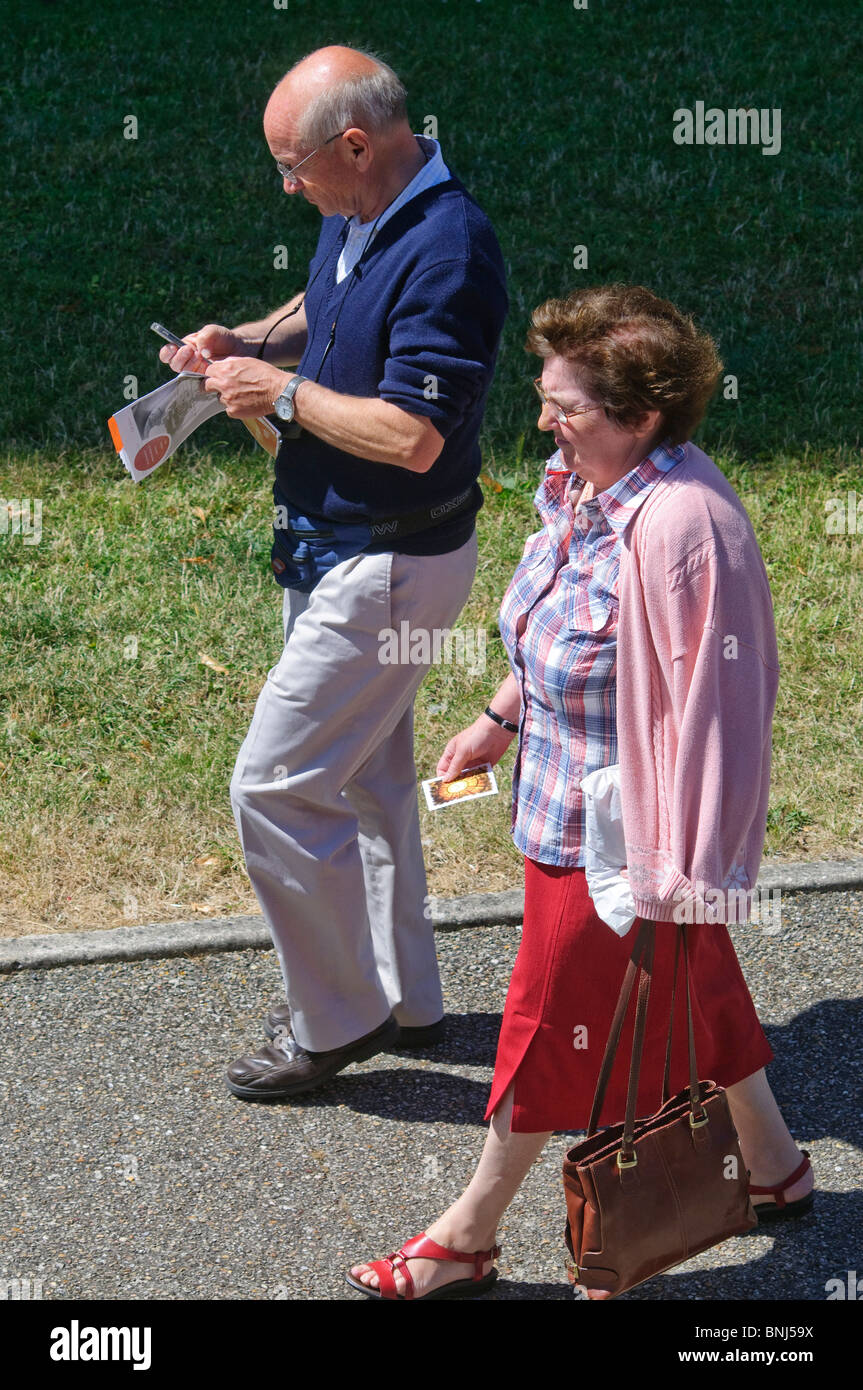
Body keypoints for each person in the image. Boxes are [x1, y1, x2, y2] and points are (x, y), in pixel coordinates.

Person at [346, 284, 815, 1301]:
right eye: (545, 399)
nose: (544, 422)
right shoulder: (579, 487)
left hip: (617, 839)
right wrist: (502, 715)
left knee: (541, 1029)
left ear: (642, 416)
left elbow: (724, 709)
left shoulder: (685, 525)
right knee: (695, 982)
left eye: (566, 407)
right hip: (554, 801)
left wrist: (684, 868)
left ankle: (464, 1237)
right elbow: (562, 628)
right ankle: (773, 1165)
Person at [160, 47, 507, 1098]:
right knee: (368, 778)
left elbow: (409, 434)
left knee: (272, 783)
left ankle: (334, 1019)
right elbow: (333, 306)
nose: (287, 185)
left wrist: (281, 392)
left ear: (355, 146)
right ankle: (405, 996)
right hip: (342, 546)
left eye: (291, 167)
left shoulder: (451, 251)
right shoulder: (361, 207)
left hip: (388, 562)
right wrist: (250, 337)